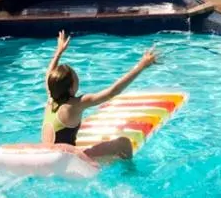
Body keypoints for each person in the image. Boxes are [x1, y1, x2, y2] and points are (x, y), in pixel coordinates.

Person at [42, 30, 157, 162]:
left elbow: (48, 74)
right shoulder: (75, 105)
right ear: (71, 87)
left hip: (48, 156)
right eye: (76, 78)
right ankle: (129, 173)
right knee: (123, 144)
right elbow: (112, 92)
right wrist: (141, 66)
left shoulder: (51, 98)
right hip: (68, 161)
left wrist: (59, 52)